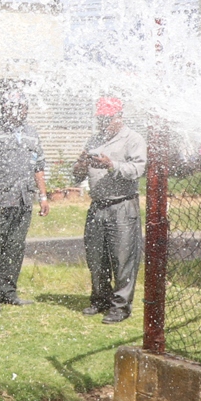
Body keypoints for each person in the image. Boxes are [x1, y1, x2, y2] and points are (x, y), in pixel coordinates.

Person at [0, 93, 50, 311]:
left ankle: (9, 292)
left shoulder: (31, 133)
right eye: (14, 107)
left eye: (23, 107)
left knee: (15, 248)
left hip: (23, 200)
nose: (19, 111)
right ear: (4, 109)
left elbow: (39, 166)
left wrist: (43, 196)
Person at [71, 97, 146, 323]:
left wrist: (111, 165)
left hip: (122, 205)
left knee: (123, 257)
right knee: (96, 256)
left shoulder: (133, 139)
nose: (103, 123)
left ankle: (120, 306)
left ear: (119, 116)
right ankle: (100, 298)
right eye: (100, 118)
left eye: (107, 118)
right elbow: (77, 175)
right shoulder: (94, 139)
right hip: (97, 206)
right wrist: (81, 165)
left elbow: (138, 169)